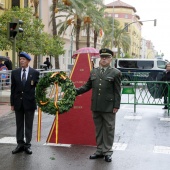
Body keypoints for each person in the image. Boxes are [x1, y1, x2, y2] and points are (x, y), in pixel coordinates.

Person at [76, 48, 122, 162]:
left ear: (111, 59)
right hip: (96, 105)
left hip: (109, 106)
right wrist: (74, 91)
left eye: (106, 57)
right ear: (99, 58)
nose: (104, 59)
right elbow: (87, 86)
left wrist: (116, 105)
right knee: (99, 129)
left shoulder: (116, 73)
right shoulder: (94, 71)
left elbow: (117, 91)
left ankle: (107, 151)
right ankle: (100, 150)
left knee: (109, 129)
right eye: (102, 57)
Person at [10, 52, 39, 154]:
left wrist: (40, 100)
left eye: (23, 59)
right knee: (19, 124)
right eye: (20, 59)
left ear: (28, 61)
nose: (21, 61)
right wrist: (12, 103)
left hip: (29, 103)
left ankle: (27, 145)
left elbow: (39, 88)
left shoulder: (35, 73)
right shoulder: (15, 72)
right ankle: (20, 144)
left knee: (28, 125)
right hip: (18, 102)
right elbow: (12, 89)